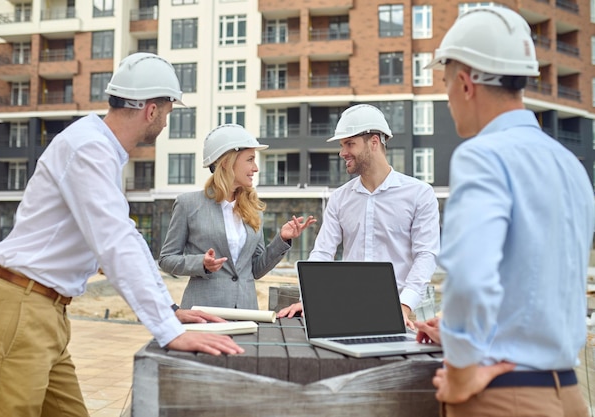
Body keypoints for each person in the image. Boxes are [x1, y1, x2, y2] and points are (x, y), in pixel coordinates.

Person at [0, 53, 244, 417]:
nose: (165, 121)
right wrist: (167, 329)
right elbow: (117, 242)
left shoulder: (101, 150)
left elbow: (121, 238)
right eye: (167, 111)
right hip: (20, 311)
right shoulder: (89, 148)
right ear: (150, 110)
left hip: (46, 314)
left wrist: (170, 310)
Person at [418, 6, 594, 416]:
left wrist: (461, 372)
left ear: (464, 84)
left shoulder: (481, 156)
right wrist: (463, 331)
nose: (447, 99)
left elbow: (471, 279)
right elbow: (543, 286)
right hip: (568, 393)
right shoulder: (570, 164)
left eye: (445, 84)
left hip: (504, 398)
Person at [277, 104, 441, 329]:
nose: (342, 152)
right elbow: (323, 252)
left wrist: (403, 306)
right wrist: (308, 299)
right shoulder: (340, 198)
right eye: (342, 145)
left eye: (349, 144)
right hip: (347, 309)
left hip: (401, 312)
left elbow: (426, 254)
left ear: (374, 142)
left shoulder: (419, 194)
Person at [158, 123, 316, 310]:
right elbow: (166, 259)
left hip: (246, 312)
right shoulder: (188, 204)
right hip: (204, 313)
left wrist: (282, 239)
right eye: (249, 159)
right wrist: (201, 263)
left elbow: (256, 270)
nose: (256, 168)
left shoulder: (253, 208)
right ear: (226, 162)